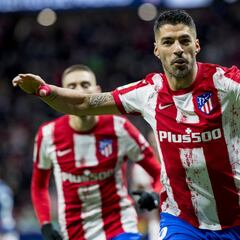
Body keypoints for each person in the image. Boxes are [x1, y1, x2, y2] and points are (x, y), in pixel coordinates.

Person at [12, 10, 240, 240]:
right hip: (182, 222)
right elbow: (87, 102)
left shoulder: (225, 83)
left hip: (238, 220)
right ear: (156, 51)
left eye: (183, 41)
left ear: (196, 45)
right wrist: (43, 90)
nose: (177, 49)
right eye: (168, 42)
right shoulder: (146, 92)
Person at [30, 65, 161, 240]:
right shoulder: (48, 135)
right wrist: (45, 223)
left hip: (120, 227)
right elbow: (39, 186)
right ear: (61, 93)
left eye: (85, 85)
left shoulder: (119, 127)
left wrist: (155, 193)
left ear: (97, 90)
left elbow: (158, 172)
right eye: (71, 87)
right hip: (74, 231)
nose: (79, 91)